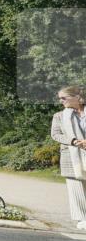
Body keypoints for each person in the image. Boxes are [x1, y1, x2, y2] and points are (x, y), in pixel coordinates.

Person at [51, 85, 86, 230]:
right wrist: (72, 141)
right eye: (60, 98)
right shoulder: (59, 116)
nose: (61, 101)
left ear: (77, 97)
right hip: (71, 156)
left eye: (64, 98)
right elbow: (55, 134)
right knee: (76, 187)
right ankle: (82, 218)